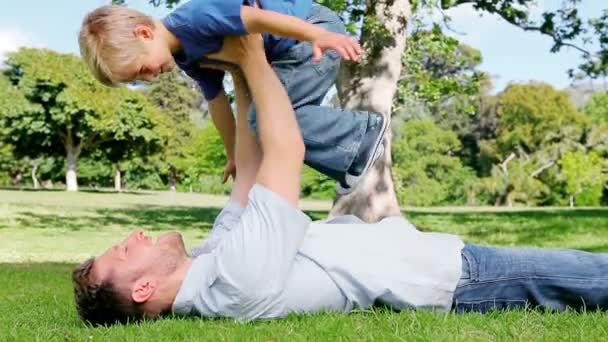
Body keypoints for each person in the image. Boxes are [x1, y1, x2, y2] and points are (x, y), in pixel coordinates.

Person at [73, 34, 608, 327]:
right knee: (592, 276)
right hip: (457, 279)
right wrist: (253, 54)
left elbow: (250, 168)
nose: (135, 235)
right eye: (123, 250)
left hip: (440, 260)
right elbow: (287, 153)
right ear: (143, 288)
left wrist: (235, 73)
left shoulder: (212, 263)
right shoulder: (234, 281)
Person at [78, 1, 388, 194]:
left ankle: (362, 134)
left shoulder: (196, 18)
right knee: (265, 124)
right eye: (138, 80)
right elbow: (216, 102)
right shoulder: (188, 57)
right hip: (296, 49)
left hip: (308, 38)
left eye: (142, 69)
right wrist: (232, 155)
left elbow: (254, 18)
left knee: (265, 119)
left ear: (144, 34)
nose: (148, 77)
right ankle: (354, 149)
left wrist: (315, 34)